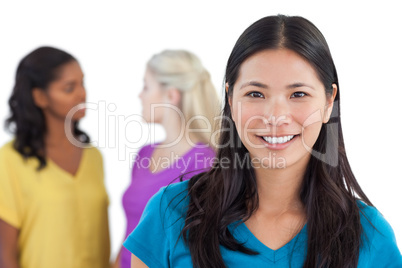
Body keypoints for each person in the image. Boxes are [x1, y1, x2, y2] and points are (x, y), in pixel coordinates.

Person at [123, 15, 402, 267]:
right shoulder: (169, 215)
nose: (276, 116)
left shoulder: (371, 237)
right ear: (231, 99)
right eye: (256, 94)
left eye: (298, 94)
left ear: (329, 101)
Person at [0, 47, 110, 268]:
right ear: (40, 97)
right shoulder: (9, 160)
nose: (82, 94)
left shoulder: (93, 156)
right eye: (69, 88)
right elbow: (5, 256)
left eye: (82, 83)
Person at [114, 50, 219, 268]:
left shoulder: (203, 162)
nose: (140, 95)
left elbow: (200, 248)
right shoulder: (144, 154)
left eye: (146, 86)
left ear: (171, 95)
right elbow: (132, 230)